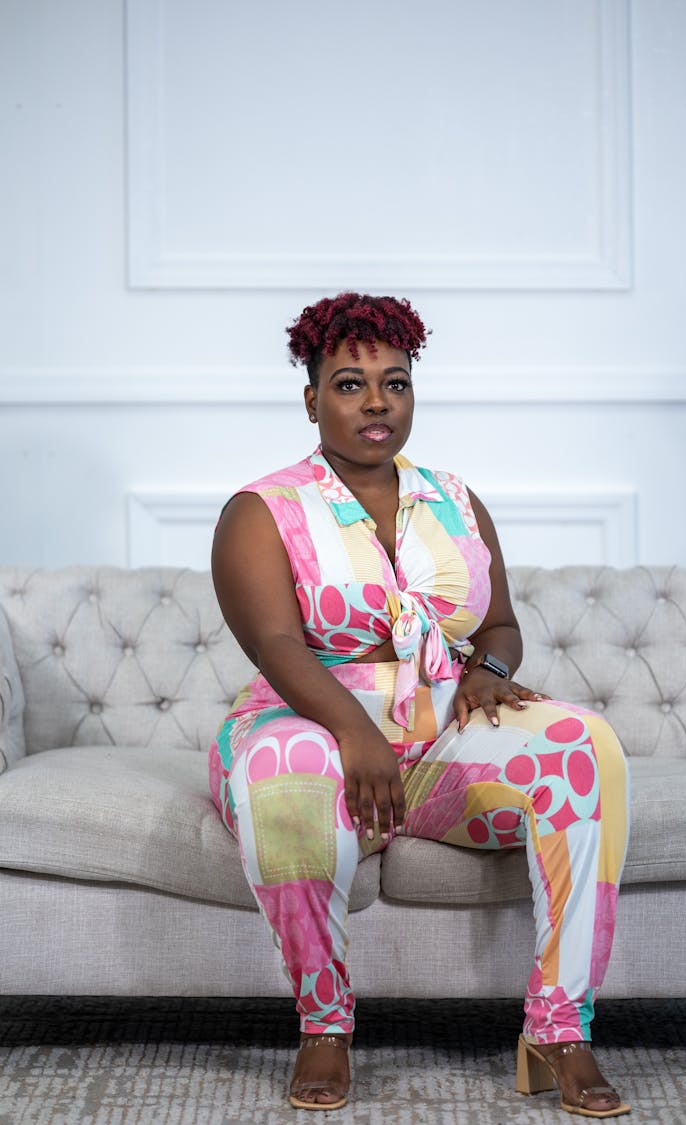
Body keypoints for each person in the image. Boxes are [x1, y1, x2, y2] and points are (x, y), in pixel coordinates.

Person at [209, 292, 630, 1117]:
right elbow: (280, 648)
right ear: (311, 398)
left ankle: (560, 1025)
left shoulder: (455, 498)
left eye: (394, 384)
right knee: (283, 772)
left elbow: (500, 623)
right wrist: (356, 732)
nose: (375, 402)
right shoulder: (262, 511)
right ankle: (324, 1023)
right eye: (349, 383)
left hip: (440, 729)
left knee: (586, 745)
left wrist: (487, 669)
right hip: (311, 718)